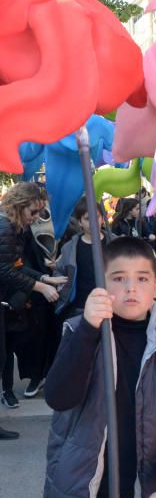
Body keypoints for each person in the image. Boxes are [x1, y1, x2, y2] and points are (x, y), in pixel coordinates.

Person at [43, 237, 156, 498]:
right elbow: (60, 397)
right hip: (82, 496)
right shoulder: (77, 331)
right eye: (118, 278)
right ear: (101, 285)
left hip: (145, 497)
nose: (131, 288)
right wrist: (89, 330)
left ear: (155, 286)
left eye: (142, 279)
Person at [0, 183, 66, 433]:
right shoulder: (5, 227)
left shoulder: (11, 226)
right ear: (20, 205)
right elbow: (4, 270)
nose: (36, 217)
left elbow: (13, 265)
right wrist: (40, 287)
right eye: (34, 211)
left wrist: (45, 278)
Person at [54, 197, 114, 318]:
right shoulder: (70, 248)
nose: (93, 222)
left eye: (96, 217)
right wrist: (61, 284)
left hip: (111, 305)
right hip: (81, 307)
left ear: (102, 218)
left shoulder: (115, 243)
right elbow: (59, 271)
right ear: (80, 222)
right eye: (87, 218)